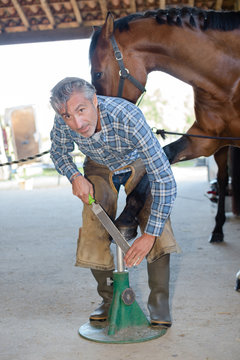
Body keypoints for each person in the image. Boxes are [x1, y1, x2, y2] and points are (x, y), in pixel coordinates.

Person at [49, 77, 179, 328]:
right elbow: (58, 152)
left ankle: (159, 302)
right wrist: (74, 175)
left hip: (136, 162)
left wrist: (149, 235)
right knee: (92, 223)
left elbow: (164, 179)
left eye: (81, 110)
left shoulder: (127, 116)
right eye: (67, 116)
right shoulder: (62, 119)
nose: (76, 123)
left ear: (94, 101)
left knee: (157, 218)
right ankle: (109, 299)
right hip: (98, 165)